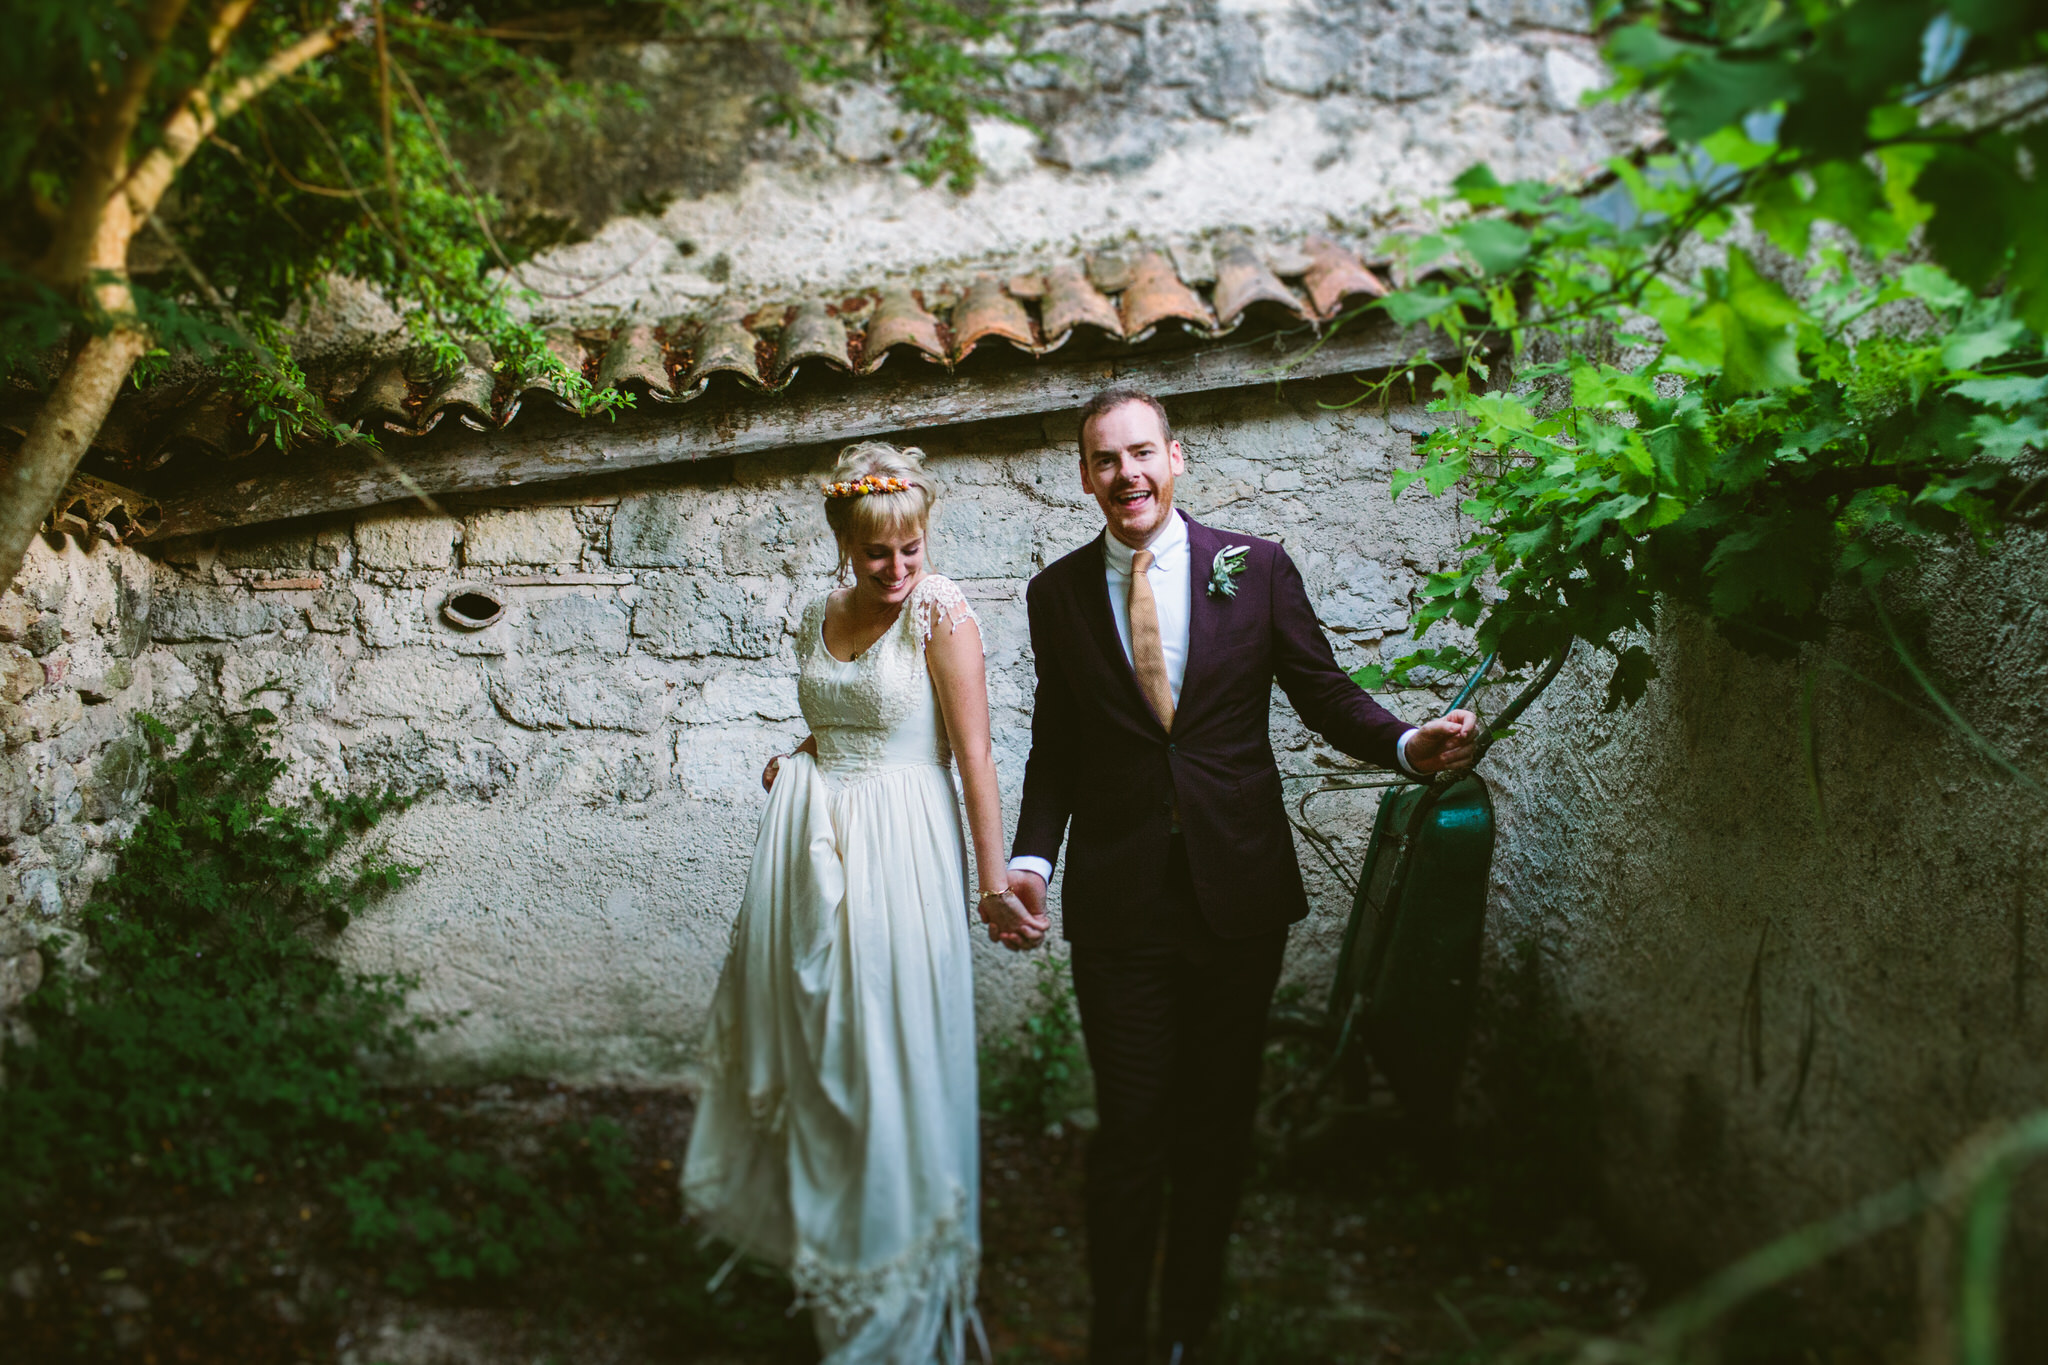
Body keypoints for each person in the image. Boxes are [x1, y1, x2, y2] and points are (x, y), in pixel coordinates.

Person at [999, 386, 1478, 1365]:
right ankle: (1117, 1339)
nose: (1125, 474)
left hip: (1237, 899)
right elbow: (1058, 745)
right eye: (1104, 460)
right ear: (1085, 477)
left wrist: (1403, 744)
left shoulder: (1253, 570)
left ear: (1174, 458)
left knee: (1214, 1129)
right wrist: (1029, 858)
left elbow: (1320, 690)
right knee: (1131, 1129)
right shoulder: (1055, 594)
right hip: (1122, 905)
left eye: (1140, 453)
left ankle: (1186, 1331)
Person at [683, 442, 1044, 1365]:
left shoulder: (940, 612)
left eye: (912, 549)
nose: (897, 570)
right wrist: (799, 752)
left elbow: (973, 756)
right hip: (812, 848)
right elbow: (843, 709)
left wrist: (993, 881)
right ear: (846, 541)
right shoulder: (817, 610)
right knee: (821, 1045)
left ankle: (899, 1280)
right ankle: (832, 1250)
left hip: (903, 849)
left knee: (884, 1047)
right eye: (879, 553)